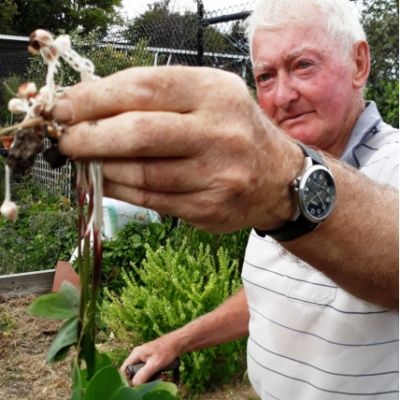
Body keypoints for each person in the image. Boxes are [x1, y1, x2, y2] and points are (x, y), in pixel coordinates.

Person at [53, 0, 399, 398]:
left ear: (358, 64)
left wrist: (288, 184)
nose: (282, 95)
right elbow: (271, 295)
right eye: (266, 76)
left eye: (303, 65)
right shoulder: (274, 181)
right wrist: (178, 341)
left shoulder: (389, 162)